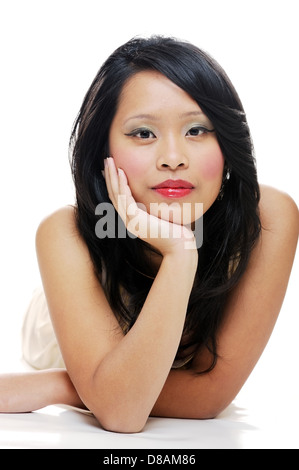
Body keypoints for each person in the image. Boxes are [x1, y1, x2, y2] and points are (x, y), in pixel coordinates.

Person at [1, 36, 298, 433]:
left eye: (197, 130)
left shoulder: (270, 218)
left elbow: (209, 395)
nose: (173, 157)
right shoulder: (64, 234)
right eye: (143, 134)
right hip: (57, 338)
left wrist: (71, 387)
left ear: (226, 142)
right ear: (102, 148)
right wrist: (179, 253)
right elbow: (123, 415)